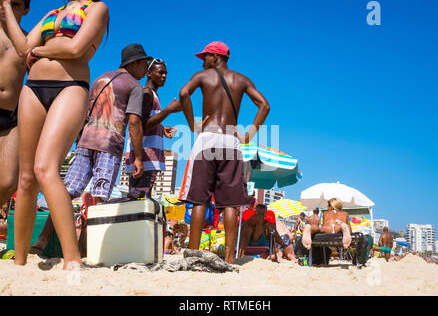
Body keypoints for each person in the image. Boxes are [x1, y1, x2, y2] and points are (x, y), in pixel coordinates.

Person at [1, 0, 109, 269]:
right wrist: (5, 7)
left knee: (46, 168)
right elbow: (23, 46)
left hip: (70, 86)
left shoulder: (96, 9)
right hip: (33, 88)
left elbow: (75, 49)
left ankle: (72, 260)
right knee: (26, 179)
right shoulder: (55, 11)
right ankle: (20, 261)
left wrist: (40, 52)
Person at [30, 44, 150, 254]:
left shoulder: (100, 78)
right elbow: (134, 122)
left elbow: (84, 111)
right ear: (135, 63)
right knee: (98, 197)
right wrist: (138, 157)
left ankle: (42, 240)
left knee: (66, 193)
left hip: (85, 141)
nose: (146, 70)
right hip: (109, 144)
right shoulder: (134, 86)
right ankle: (85, 249)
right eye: (144, 64)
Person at [179, 41, 270, 264]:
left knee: (199, 200)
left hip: (207, 139)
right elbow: (264, 105)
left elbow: (183, 94)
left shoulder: (203, 77)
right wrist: (248, 136)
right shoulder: (242, 80)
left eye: (205, 57)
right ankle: (229, 259)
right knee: (230, 203)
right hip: (231, 141)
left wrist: (192, 125)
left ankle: (193, 256)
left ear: (216, 57)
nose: (202, 62)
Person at [124, 58, 180, 199]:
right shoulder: (147, 93)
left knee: (137, 197)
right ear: (149, 73)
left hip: (146, 158)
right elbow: (140, 125)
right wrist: (168, 111)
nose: (164, 76)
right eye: (160, 73)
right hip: (145, 158)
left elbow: (146, 122)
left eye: (166, 74)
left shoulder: (152, 94)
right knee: (140, 198)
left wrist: (161, 128)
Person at [0, 0, 30, 207]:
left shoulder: (27, 42)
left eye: (15, 4)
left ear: (26, 10)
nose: (5, 8)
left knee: (8, 182)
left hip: (12, 115)